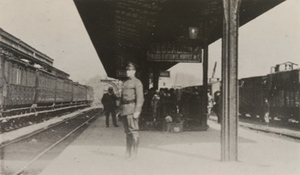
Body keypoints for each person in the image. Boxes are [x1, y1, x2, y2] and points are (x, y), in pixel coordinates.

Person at [119, 62, 144, 157]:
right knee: (127, 132)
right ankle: (128, 152)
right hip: (124, 110)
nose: (127, 72)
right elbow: (122, 98)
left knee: (134, 131)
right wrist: (119, 110)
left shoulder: (137, 82)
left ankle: (134, 153)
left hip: (132, 109)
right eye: (126, 70)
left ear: (134, 71)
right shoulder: (125, 82)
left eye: (129, 70)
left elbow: (140, 98)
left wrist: (137, 111)